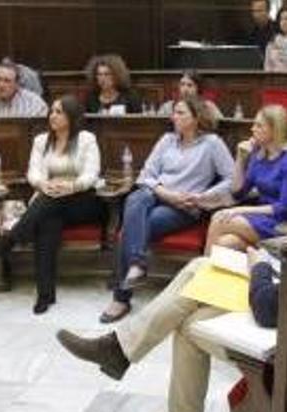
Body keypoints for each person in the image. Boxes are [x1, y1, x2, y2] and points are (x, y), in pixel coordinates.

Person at [56, 145, 287, 412]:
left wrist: (259, 269)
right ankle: (164, 400)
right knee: (198, 278)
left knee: (190, 313)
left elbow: (268, 309)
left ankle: (145, 378)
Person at [100, 98, 235, 323]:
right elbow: (146, 175)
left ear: (196, 118)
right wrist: (166, 193)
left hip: (185, 206)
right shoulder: (167, 140)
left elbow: (232, 180)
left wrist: (203, 197)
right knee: (136, 197)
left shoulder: (212, 143)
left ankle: (121, 298)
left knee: (129, 230)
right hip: (158, 195)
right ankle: (137, 264)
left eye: (180, 113)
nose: (174, 117)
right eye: (174, 113)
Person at [0, 96, 103, 314]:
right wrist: (44, 184)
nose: (52, 115)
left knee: (48, 203)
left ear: (71, 116)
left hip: (83, 201)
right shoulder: (41, 141)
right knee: (47, 222)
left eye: (59, 112)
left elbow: (91, 174)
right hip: (50, 199)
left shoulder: (86, 139)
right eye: (51, 111)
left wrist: (69, 187)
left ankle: (12, 239)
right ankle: (45, 294)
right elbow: (33, 172)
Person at [205, 105, 287, 252]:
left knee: (219, 219)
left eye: (259, 125)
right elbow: (238, 192)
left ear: (275, 130)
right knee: (225, 243)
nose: (252, 129)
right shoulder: (259, 153)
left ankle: (202, 270)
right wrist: (241, 158)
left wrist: (239, 210)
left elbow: (284, 207)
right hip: (266, 217)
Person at [156, 70, 224, 120]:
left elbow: (222, 125)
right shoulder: (167, 107)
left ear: (197, 88)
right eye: (182, 84)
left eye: (190, 85)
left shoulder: (208, 106)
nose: (185, 89)